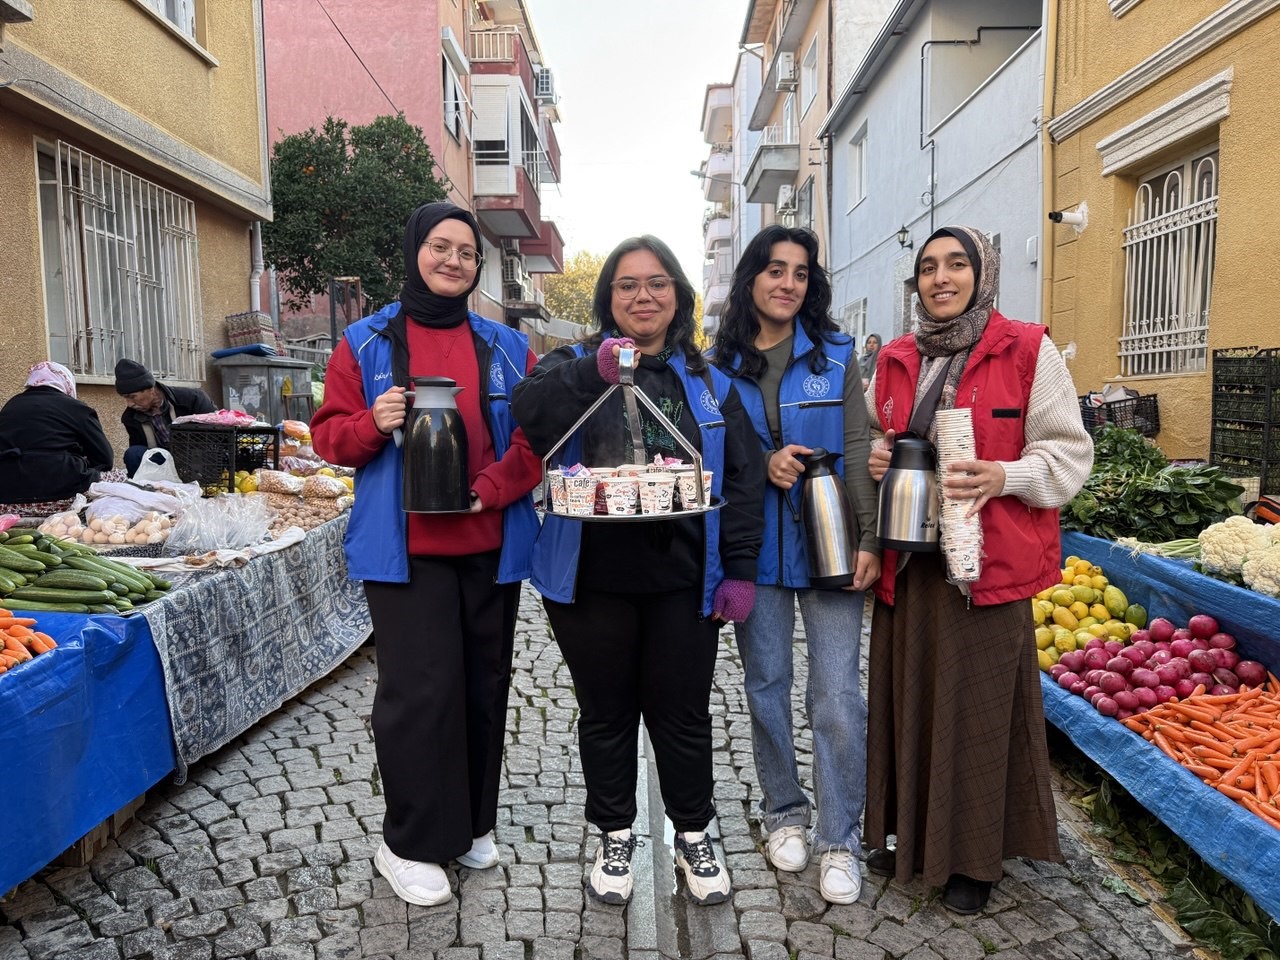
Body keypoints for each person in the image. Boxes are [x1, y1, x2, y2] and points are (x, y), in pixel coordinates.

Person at [511, 235, 764, 907]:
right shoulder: (572, 364)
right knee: (607, 714)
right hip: (589, 581)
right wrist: (593, 372)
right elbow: (528, 413)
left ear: (678, 295)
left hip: (684, 581)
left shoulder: (709, 383)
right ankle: (615, 833)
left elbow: (742, 481)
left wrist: (739, 569)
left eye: (656, 283)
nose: (642, 295)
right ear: (608, 298)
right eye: (627, 284)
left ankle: (693, 833)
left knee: (683, 716)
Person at [310, 201, 542, 907]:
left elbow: (534, 442)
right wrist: (370, 422)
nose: (453, 260)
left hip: (488, 542)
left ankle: (469, 823)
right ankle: (408, 842)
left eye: (466, 253)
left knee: (482, 686)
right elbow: (328, 437)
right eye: (441, 247)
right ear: (415, 251)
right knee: (420, 694)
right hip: (403, 550)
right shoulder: (365, 342)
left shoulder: (507, 346)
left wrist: (490, 489)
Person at [863, 225, 1092, 914]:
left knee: (981, 714)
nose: (942, 278)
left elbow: (1068, 456)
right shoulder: (897, 357)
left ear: (982, 272)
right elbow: (877, 429)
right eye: (929, 267)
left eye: (957, 264)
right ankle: (910, 835)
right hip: (913, 564)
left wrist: (1003, 474)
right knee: (913, 701)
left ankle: (973, 859)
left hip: (987, 570)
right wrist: (878, 453)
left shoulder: (1026, 349)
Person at [710, 225, 881, 905]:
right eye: (775, 269)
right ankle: (784, 811)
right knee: (765, 686)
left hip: (831, 543)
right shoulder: (717, 365)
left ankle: (840, 838)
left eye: (801, 273)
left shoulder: (836, 356)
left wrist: (871, 539)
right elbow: (712, 457)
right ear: (751, 277)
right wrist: (762, 463)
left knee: (837, 695)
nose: (787, 283)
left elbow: (858, 443)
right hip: (755, 549)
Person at [0, 361, 114, 503]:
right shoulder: (76, 408)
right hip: (62, 492)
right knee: (117, 477)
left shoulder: (10, 406)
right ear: (66, 382)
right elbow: (105, 459)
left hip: (8, 497)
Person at [114, 358, 216, 477]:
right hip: (163, 460)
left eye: (132, 397)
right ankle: (144, 487)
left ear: (151, 390)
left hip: (196, 456)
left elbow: (218, 433)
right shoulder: (130, 417)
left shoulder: (193, 399)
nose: (129, 404)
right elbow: (140, 450)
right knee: (133, 453)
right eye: (125, 398)